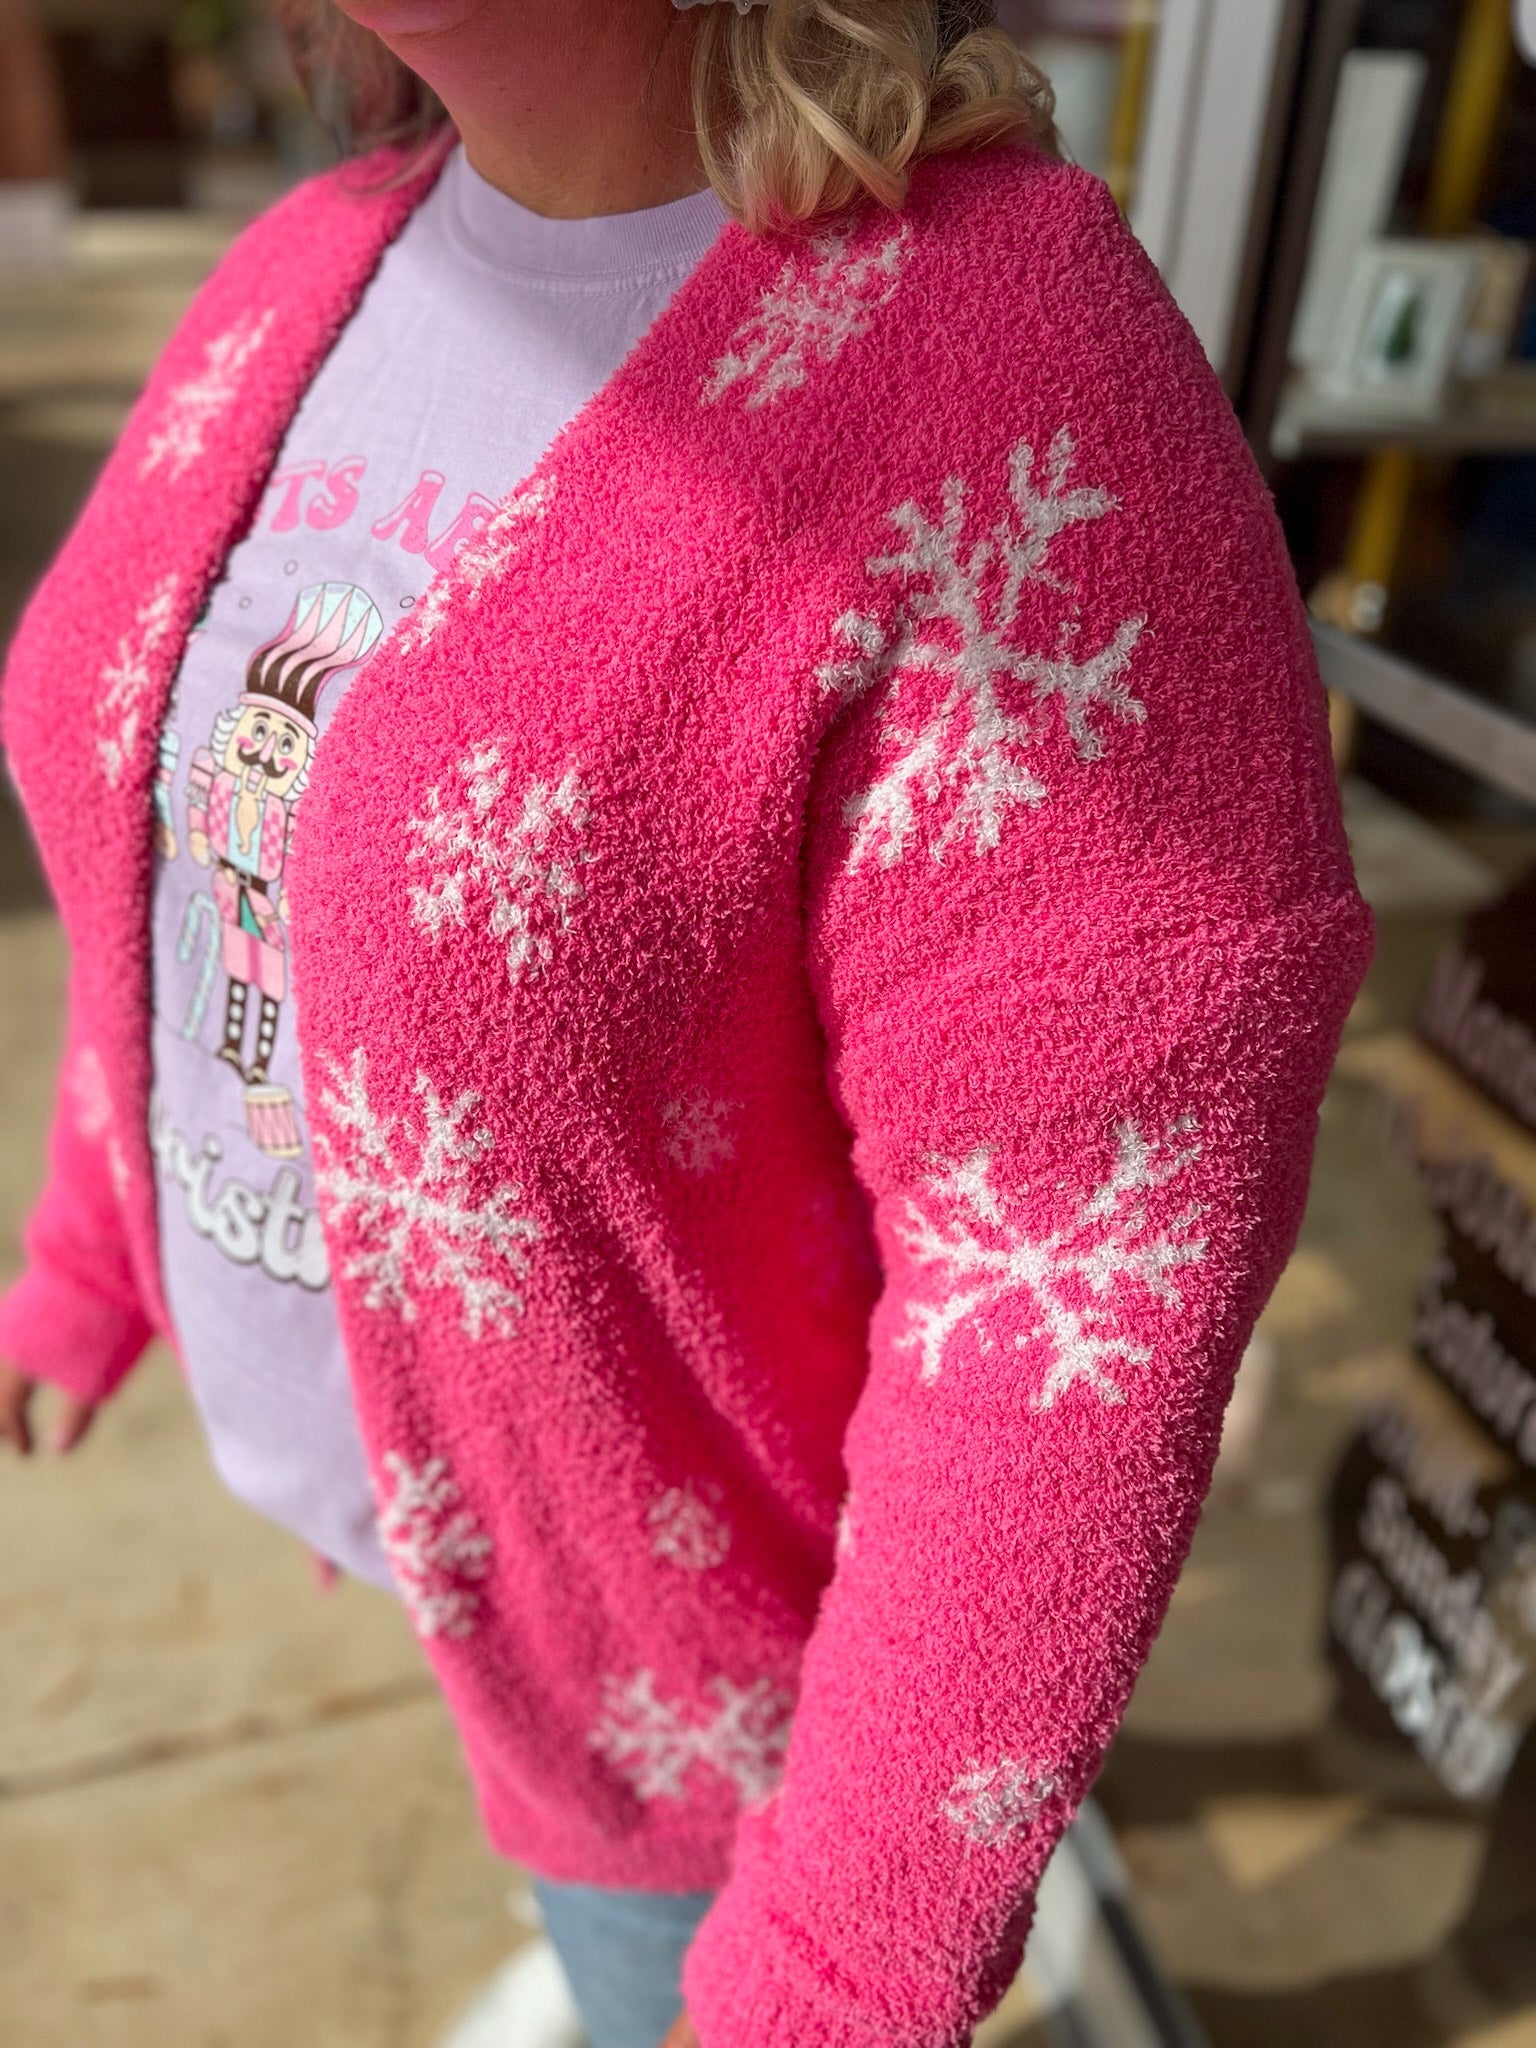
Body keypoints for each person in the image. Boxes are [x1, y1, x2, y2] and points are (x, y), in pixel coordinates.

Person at [0, 3, 1375, 2045]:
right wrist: (94, 1249)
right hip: (453, 1563)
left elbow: (1074, 1281)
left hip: (715, 1732)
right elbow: (191, 861)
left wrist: (835, 1967)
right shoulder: (316, 258)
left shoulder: (1009, 381)